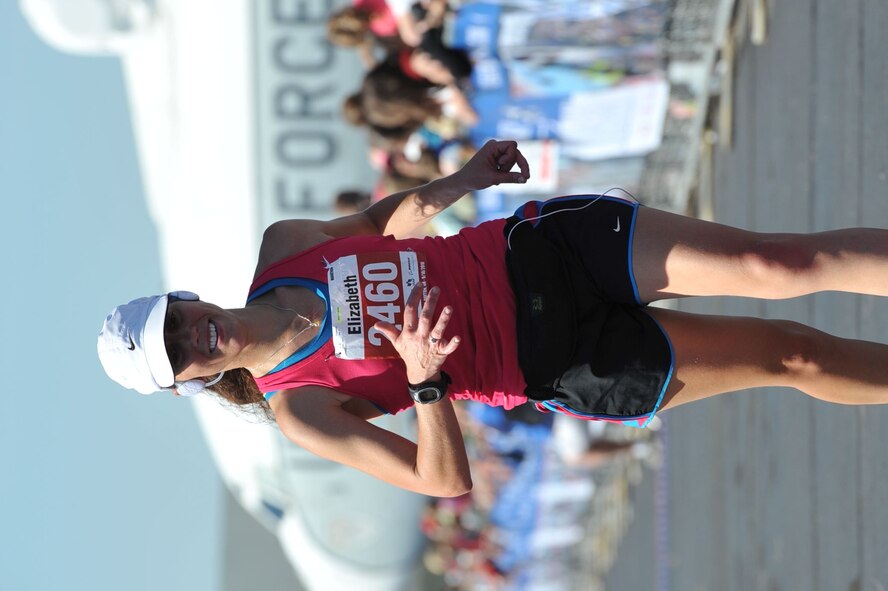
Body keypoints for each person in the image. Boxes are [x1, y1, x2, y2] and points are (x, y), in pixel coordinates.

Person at [98, 139, 888, 497]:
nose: (193, 336)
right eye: (179, 354)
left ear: (186, 298)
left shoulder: (284, 247)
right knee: (793, 357)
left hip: (540, 256)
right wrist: (426, 382)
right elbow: (443, 482)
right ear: (189, 382)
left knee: (776, 265)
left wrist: (465, 177)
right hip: (558, 357)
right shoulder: (301, 408)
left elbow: (382, 219)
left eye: (177, 319)